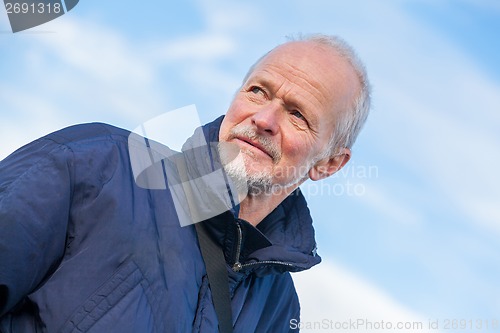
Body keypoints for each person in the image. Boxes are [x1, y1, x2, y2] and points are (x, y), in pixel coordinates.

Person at [0, 33, 370, 332]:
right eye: (258, 91)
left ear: (330, 163)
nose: (264, 119)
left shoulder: (277, 310)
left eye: (297, 115)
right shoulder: (94, 163)